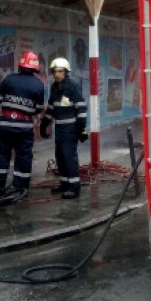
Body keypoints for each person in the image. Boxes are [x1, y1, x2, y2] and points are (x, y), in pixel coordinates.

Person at [0, 50, 45, 201]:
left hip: (5, 126)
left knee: (2, 156)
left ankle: (0, 188)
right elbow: (39, 108)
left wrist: (0, 96)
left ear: (21, 65)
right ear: (34, 68)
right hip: (23, 128)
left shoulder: (8, 80)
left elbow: (0, 99)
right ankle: (21, 187)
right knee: (23, 157)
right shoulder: (38, 85)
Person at [40, 57, 88, 199]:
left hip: (71, 130)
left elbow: (81, 108)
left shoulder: (72, 87)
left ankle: (74, 188)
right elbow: (50, 109)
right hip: (60, 131)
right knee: (60, 158)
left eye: (60, 71)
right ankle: (65, 184)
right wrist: (44, 125)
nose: (57, 74)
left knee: (69, 158)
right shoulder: (54, 87)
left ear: (66, 72)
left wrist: (81, 129)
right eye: (55, 72)